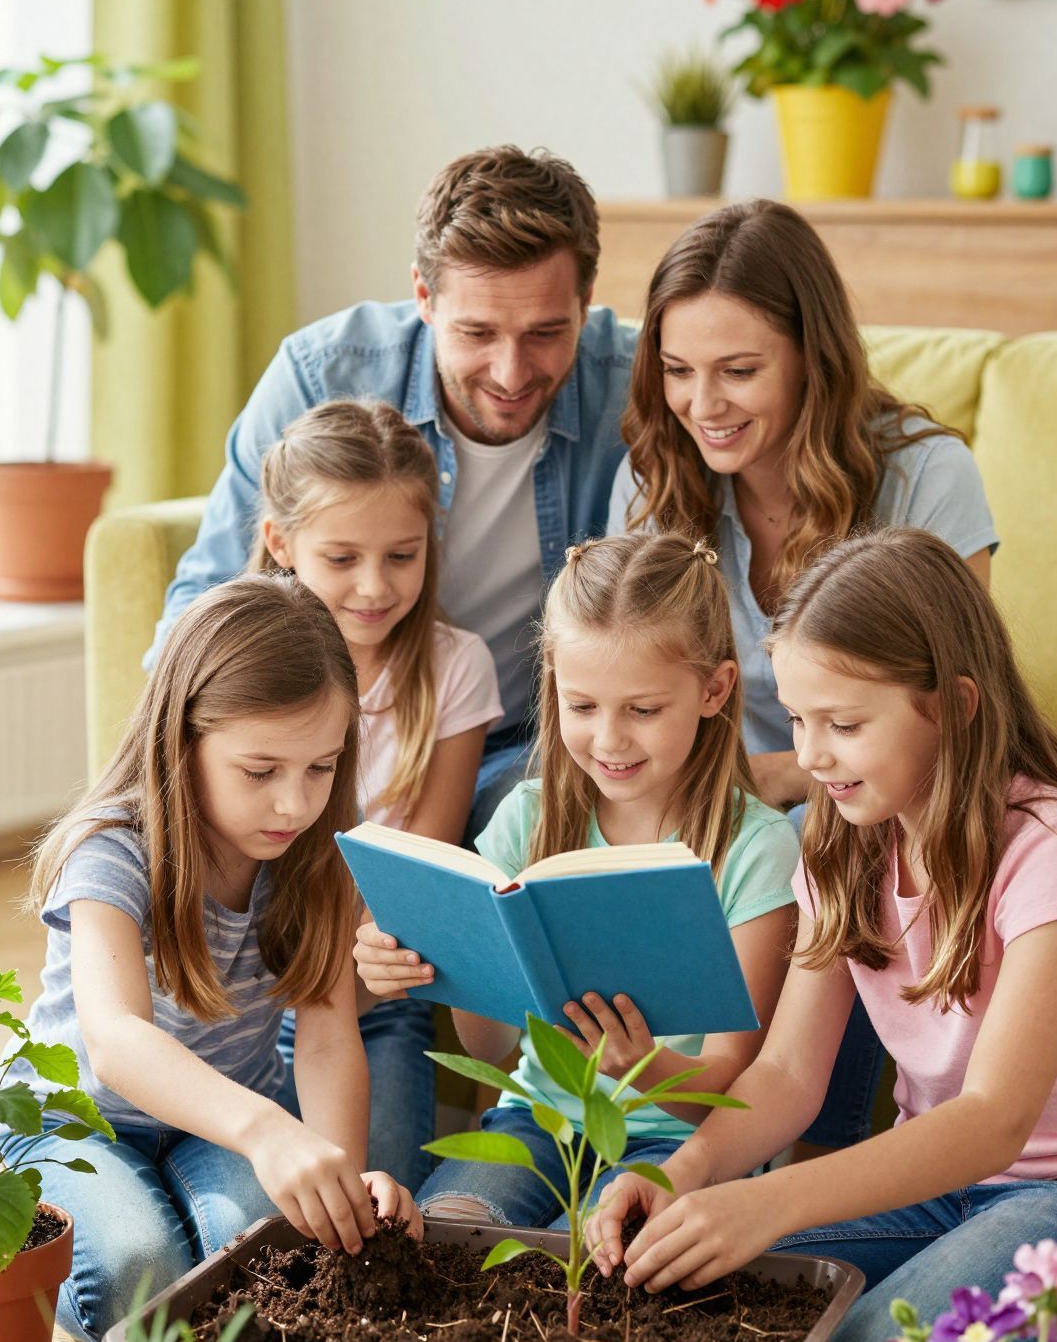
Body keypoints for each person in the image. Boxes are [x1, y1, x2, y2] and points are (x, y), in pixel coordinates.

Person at [586, 529, 1057, 1342]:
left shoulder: (1051, 846)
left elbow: (996, 1117)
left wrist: (776, 1201)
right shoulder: (840, 841)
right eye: (797, 722)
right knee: (722, 1319)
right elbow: (789, 1073)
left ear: (952, 707)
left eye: (845, 723)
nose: (815, 756)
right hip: (942, 1187)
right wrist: (682, 1174)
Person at [608, 198, 1000, 1151]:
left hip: (862, 802)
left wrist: (777, 780)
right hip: (703, 806)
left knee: (825, 835)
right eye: (678, 371)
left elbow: (952, 718)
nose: (704, 404)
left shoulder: (924, 477)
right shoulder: (658, 481)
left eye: (739, 371)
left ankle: (814, 1156)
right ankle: (643, 1141)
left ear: (811, 361)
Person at [153, 145, 637, 826]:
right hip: (326, 729)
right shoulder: (320, 374)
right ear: (423, 297)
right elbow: (203, 600)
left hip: (532, 741)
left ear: (586, 302)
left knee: (530, 819)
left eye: (546, 333)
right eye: (477, 332)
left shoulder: (639, 388)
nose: (510, 371)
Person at [12, 576, 418, 1342]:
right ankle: (27, 1256)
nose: (294, 805)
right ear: (182, 740)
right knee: (142, 1271)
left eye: (320, 767)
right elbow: (117, 1040)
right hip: (82, 1125)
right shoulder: (111, 848)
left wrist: (338, 1176)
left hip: (219, 1127)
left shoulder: (317, 851)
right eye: (260, 772)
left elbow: (329, 1033)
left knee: (277, 1258)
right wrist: (270, 1132)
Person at [356, 532, 800, 1225]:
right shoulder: (526, 819)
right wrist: (450, 966)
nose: (610, 740)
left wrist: (640, 1066)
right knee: (451, 1233)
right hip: (538, 1120)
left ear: (714, 689)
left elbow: (729, 1082)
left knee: (598, 1257)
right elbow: (491, 1047)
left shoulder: (757, 848)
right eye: (582, 706)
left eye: (643, 710)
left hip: (679, 1143)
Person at [249, 398, 502, 1192]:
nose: (373, 586)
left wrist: (353, 978)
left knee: (371, 1202)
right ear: (281, 545)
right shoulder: (239, 668)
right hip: (242, 991)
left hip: (368, 993)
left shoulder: (455, 667)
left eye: (402, 555)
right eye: (342, 558)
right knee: (257, 1213)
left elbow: (410, 872)